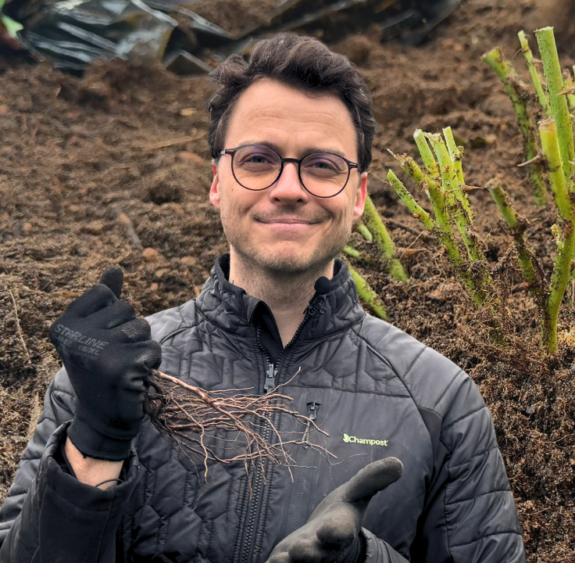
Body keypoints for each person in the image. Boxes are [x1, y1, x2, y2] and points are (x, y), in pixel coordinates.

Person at [0, 33, 525, 563]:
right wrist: (93, 446)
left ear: (359, 195)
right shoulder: (105, 383)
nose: (290, 187)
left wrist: (366, 560)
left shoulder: (440, 402)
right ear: (216, 183)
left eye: (322, 165)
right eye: (258, 159)